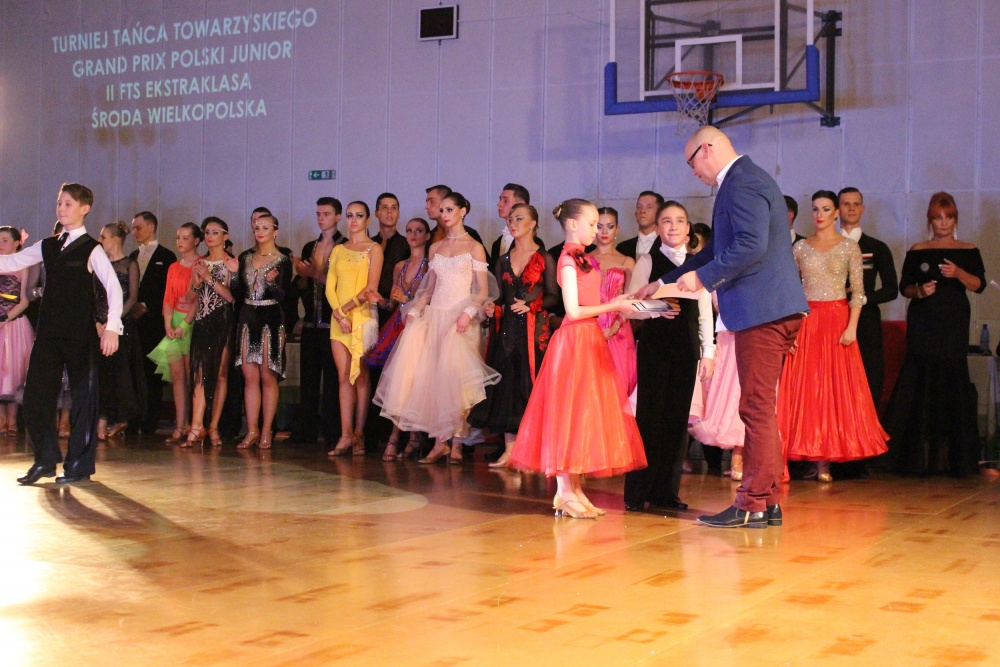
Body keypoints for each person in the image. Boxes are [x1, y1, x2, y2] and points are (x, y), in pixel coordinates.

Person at [636, 126, 809, 529]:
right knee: (760, 407)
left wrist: (703, 278)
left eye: (691, 162)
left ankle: (752, 502)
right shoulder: (744, 179)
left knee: (755, 407)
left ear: (707, 149)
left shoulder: (741, 182)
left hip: (762, 310)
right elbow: (716, 249)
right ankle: (766, 500)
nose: (693, 172)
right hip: (771, 308)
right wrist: (665, 281)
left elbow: (750, 245)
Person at [508, 198, 646, 519]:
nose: (596, 229)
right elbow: (573, 310)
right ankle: (564, 491)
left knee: (583, 413)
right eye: (591, 223)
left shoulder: (583, 258)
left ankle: (574, 489)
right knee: (568, 413)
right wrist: (615, 305)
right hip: (574, 340)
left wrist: (621, 301)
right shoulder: (568, 259)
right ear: (572, 224)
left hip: (590, 338)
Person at [9, 183, 123, 485]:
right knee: (34, 397)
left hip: (80, 335)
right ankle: (45, 460)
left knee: (84, 400)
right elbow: (11, 261)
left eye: (68, 203)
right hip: (48, 334)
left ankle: (78, 466)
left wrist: (112, 327)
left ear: (84, 209)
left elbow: (113, 287)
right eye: (60, 203)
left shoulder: (91, 248)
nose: (61, 208)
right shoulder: (47, 245)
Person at [374, 192, 499, 464]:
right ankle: (440, 443)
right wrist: (415, 310)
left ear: (463, 211)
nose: (444, 214)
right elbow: (429, 288)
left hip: (460, 318)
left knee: (456, 381)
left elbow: (482, 290)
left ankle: (457, 445)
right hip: (435, 317)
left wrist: (468, 313)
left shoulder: (474, 246)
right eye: (441, 210)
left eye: (449, 209)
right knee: (432, 379)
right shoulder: (436, 248)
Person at [777, 191, 888, 482]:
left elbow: (859, 293)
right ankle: (809, 457)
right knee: (807, 390)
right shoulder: (800, 247)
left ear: (836, 213)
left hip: (837, 320)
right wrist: (792, 328)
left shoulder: (849, 247)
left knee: (833, 389)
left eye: (826, 209)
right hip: (808, 320)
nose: (819, 214)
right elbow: (790, 291)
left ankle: (825, 460)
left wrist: (851, 327)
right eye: (815, 209)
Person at [884, 192, 985, 477]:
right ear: (930, 220)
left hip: (953, 322)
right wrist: (919, 291)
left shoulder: (968, 250)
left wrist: (958, 273)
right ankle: (914, 459)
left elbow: (978, 285)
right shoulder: (918, 250)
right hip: (923, 322)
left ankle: (955, 460)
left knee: (953, 377)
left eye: (948, 217)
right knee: (919, 378)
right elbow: (904, 287)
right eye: (938, 218)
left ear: (955, 219)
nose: (943, 223)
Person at [625, 201, 715, 513]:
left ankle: (667, 492)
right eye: (666, 221)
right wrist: (658, 308)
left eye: (679, 221)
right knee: (649, 419)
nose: (673, 226)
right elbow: (630, 306)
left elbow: (705, 312)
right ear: (658, 227)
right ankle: (637, 492)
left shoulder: (698, 264)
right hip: (655, 349)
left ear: (688, 228)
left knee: (677, 423)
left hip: (686, 349)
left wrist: (708, 353)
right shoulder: (648, 260)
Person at [469, 204, 557, 468]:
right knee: (507, 387)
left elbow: (554, 296)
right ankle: (510, 450)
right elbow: (498, 297)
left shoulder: (544, 258)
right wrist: (491, 307)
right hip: (507, 331)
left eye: (519, 219)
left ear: (533, 223)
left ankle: (534, 450)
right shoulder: (503, 260)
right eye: (510, 219)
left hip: (534, 332)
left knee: (531, 386)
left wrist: (532, 305)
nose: (513, 223)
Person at [363, 217, 432, 460]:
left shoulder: (430, 265)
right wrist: (381, 301)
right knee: (399, 383)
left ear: (427, 235)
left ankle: (404, 437)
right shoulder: (399, 266)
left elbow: (431, 300)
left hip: (420, 325)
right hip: (398, 325)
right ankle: (408, 437)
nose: (413, 234)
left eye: (419, 230)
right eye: (410, 230)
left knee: (413, 381)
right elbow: (393, 304)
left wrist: (407, 300)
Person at [325, 201, 384, 457]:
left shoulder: (374, 248)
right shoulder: (338, 249)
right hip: (339, 320)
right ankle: (345, 434)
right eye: (349, 215)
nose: (353, 220)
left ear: (368, 219)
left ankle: (359, 433)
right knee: (343, 376)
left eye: (359, 215)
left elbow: (371, 289)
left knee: (361, 376)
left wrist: (345, 311)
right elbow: (330, 286)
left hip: (362, 317)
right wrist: (338, 314)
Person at [290, 197, 345, 445]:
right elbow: (303, 287)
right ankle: (306, 431)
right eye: (318, 214)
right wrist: (303, 275)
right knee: (308, 380)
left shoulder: (344, 247)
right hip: (312, 322)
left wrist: (315, 274)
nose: (321, 218)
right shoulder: (310, 247)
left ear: (338, 217)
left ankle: (333, 432)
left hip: (334, 323)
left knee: (333, 381)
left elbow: (341, 286)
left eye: (326, 214)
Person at [838, 187, 898, 411]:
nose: (851, 208)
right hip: (833, 318)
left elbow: (891, 289)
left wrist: (862, 298)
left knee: (868, 374)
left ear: (863, 209)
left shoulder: (877, 247)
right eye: (846, 204)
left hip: (867, 320)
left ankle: (867, 423)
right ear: (837, 209)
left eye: (856, 204)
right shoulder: (825, 245)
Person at [235, 214, 292, 450]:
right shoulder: (246, 258)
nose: (260, 231)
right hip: (248, 317)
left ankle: (267, 429)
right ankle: (252, 430)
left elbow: (284, 295)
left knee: (268, 376)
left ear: (275, 231)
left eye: (265, 227)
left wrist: (271, 283)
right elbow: (239, 292)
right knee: (249, 377)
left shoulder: (282, 260)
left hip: (270, 317)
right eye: (257, 227)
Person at [185, 217, 238, 447]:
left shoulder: (232, 263)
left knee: (220, 375)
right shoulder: (200, 262)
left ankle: (213, 426)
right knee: (199, 374)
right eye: (207, 232)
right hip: (202, 321)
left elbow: (231, 297)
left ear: (225, 236)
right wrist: (197, 282)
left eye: (215, 232)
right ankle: (196, 427)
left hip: (223, 321)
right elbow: (190, 297)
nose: (209, 236)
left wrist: (209, 277)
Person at [147, 222, 201, 444]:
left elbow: (197, 300)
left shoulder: (201, 264)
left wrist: (184, 326)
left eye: (186, 237)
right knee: (177, 378)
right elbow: (168, 299)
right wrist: (168, 324)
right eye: (179, 237)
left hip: (191, 323)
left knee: (192, 377)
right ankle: (179, 425)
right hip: (175, 320)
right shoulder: (173, 267)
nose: (180, 241)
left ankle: (195, 425)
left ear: (196, 241)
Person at [94, 222, 144, 441]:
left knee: (118, 373)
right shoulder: (99, 263)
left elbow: (132, 297)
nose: (100, 241)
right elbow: (93, 295)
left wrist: (113, 321)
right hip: (99, 325)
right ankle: (101, 420)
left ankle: (116, 419)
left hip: (121, 325)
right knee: (100, 374)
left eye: (104, 237)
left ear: (115, 239)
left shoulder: (130, 264)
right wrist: (97, 322)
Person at [130, 211, 177, 435]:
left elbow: (169, 289)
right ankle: (132, 419)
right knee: (133, 370)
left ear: (151, 227)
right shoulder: (132, 255)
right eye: (133, 228)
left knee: (152, 372)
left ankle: (150, 420)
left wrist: (147, 305)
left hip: (155, 321)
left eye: (138, 227)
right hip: (132, 321)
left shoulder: (166, 256)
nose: (134, 232)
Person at [589, 207, 637, 396]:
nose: (604, 231)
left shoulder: (627, 261)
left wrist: (612, 329)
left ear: (617, 229)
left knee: (618, 384)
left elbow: (631, 300)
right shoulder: (583, 259)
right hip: (591, 325)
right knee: (591, 385)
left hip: (619, 328)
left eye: (610, 226)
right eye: (599, 226)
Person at [0, 227, 34, 436]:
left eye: (5, 240)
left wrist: (5, 318)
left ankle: (13, 419)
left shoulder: (22, 265)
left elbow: (24, 301)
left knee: (13, 371)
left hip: (13, 323)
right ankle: (1, 418)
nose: (0, 244)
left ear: (16, 243)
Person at [489, 183, 540, 273]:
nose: (499, 204)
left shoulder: (536, 243)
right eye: (500, 199)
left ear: (520, 204)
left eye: (505, 200)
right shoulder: (497, 244)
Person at [616, 191, 664, 260]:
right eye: (639, 207)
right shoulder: (622, 248)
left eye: (649, 207)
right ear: (635, 214)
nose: (642, 211)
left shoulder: (667, 247)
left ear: (659, 214)